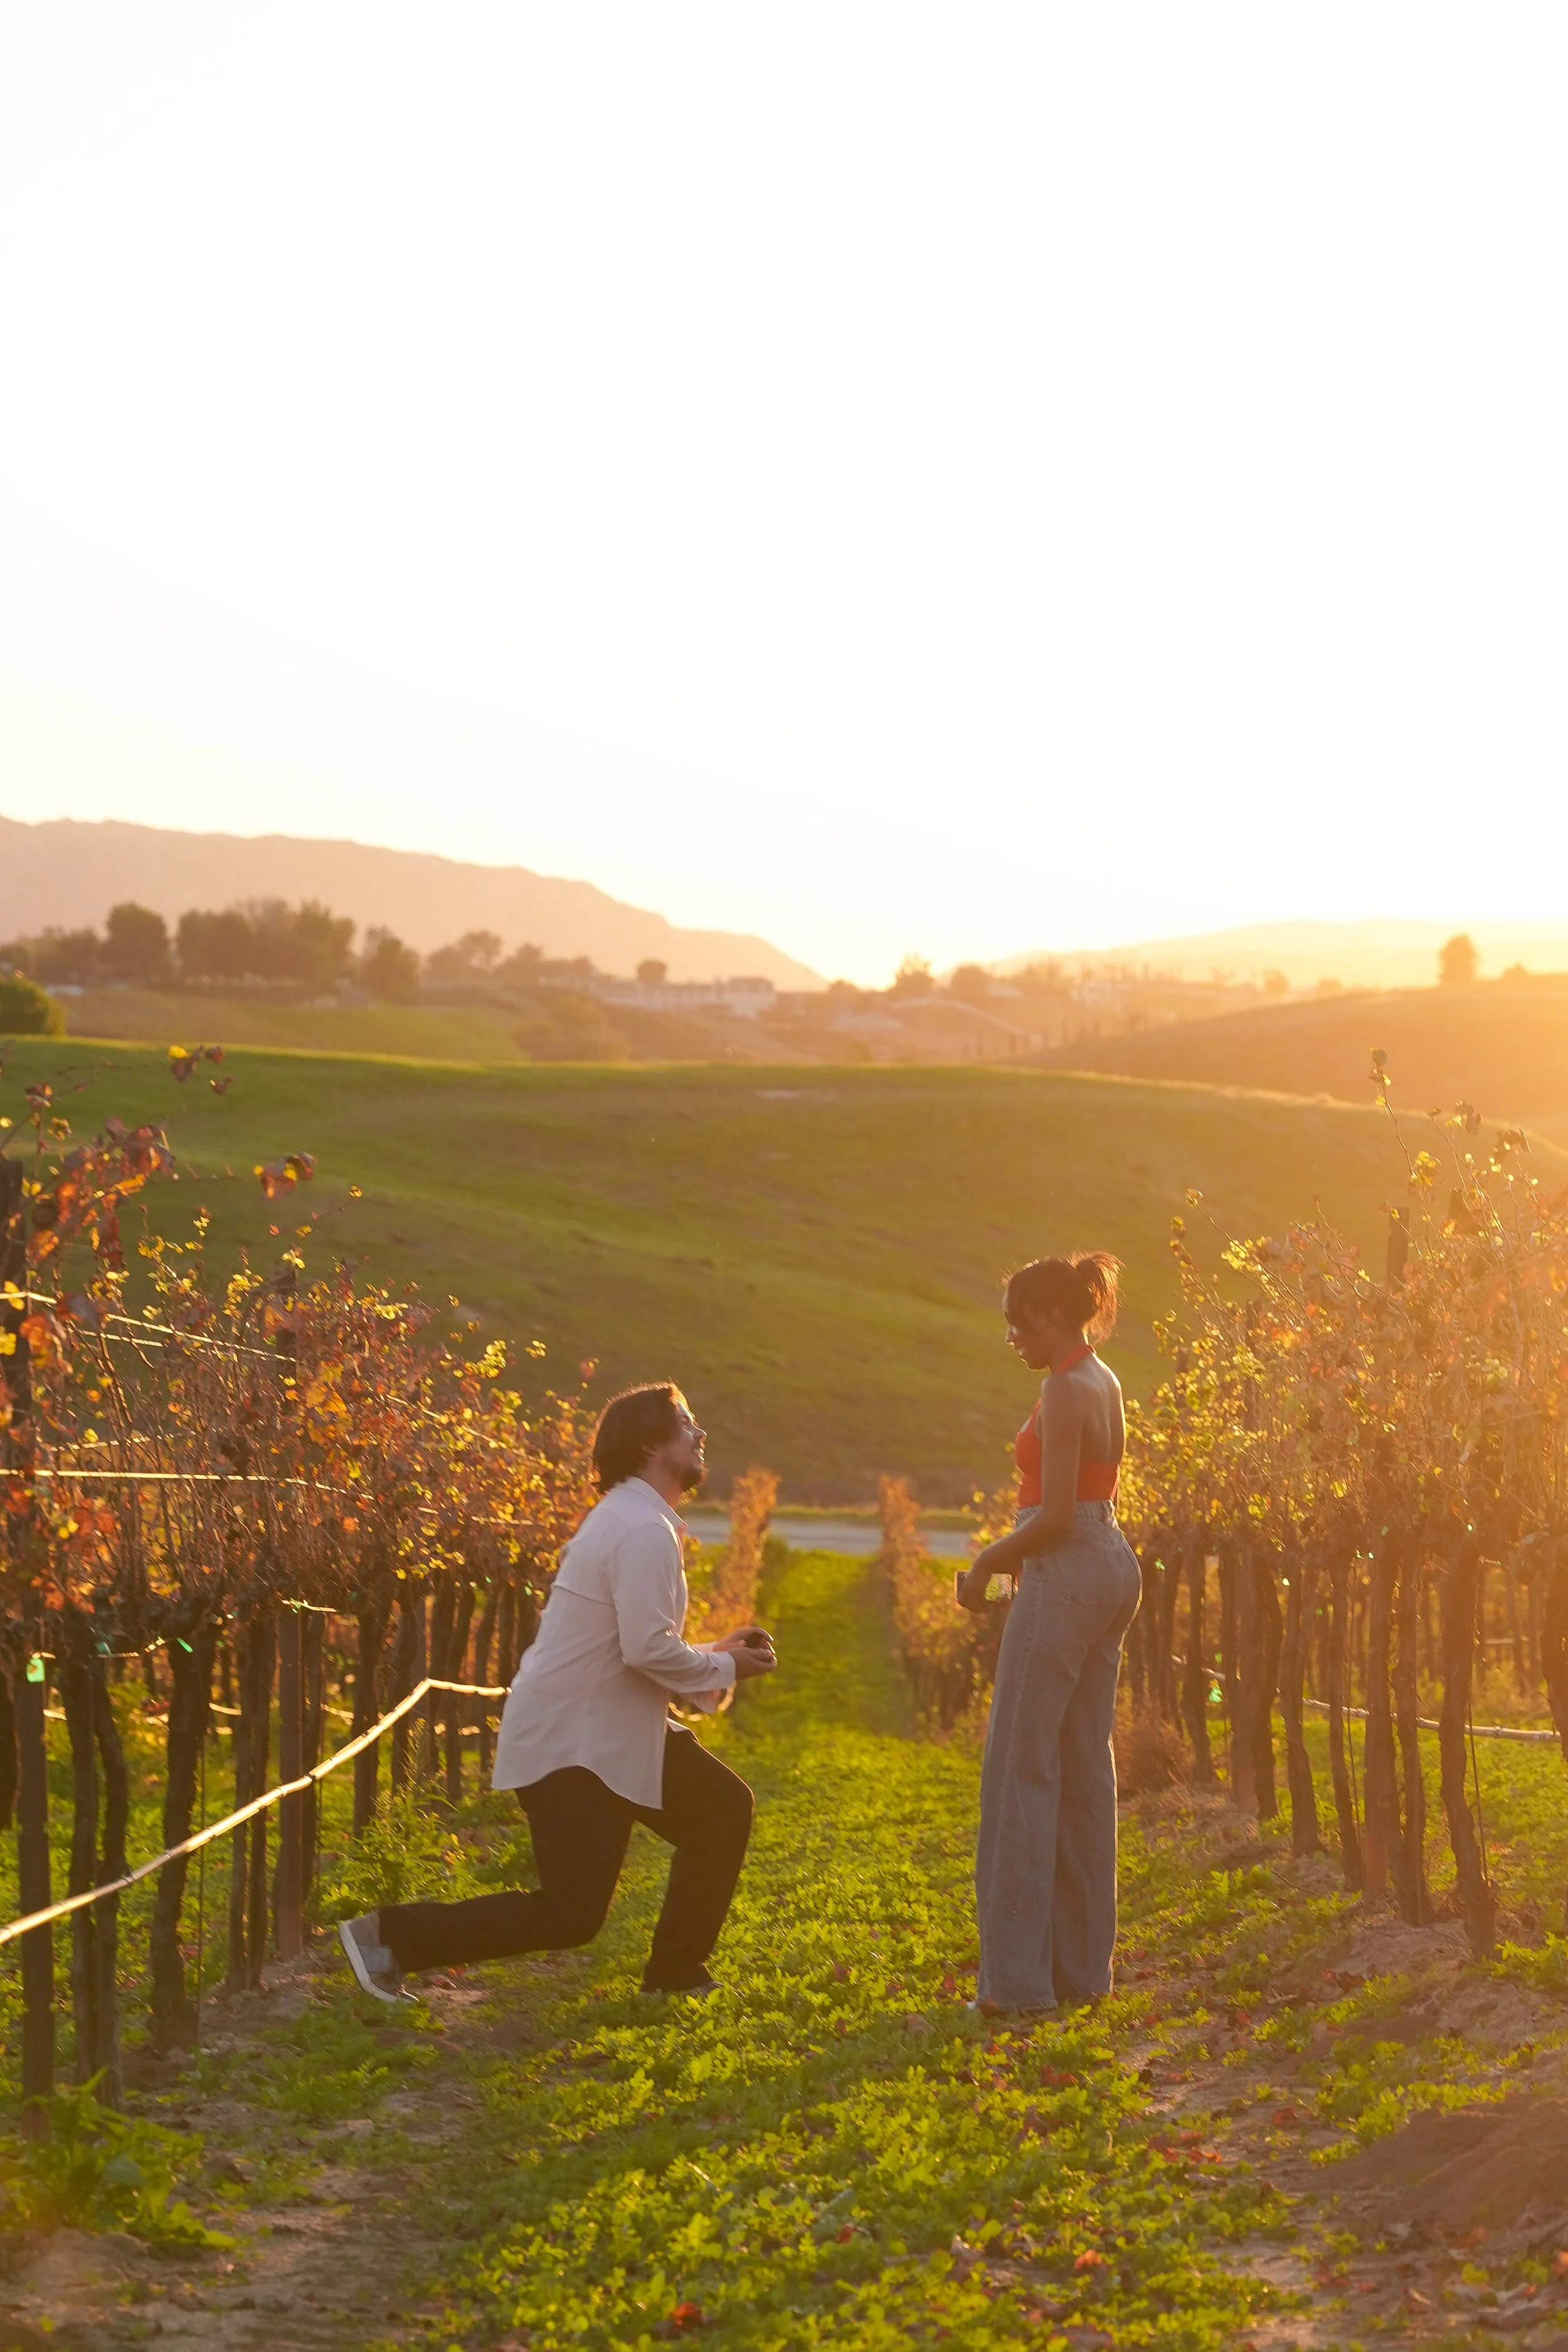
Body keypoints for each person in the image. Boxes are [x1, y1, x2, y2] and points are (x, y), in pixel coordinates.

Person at [337, 1382, 776, 2003]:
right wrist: (730, 1670)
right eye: (686, 1424)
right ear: (651, 1445)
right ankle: (388, 1938)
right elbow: (645, 1651)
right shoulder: (641, 1529)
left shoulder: (634, 1519)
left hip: (606, 1730)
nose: (699, 1435)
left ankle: (676, 1975)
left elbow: (632, 1646)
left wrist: (717, 1655)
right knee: (571, 1915)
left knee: (721, 1811)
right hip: (578, 1743)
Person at [954, 1253, 1141, 2015]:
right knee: (1083, 1772)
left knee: (1019, 1770)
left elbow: (1057, 1516)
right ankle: (1080, 1974)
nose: (1012, 1339)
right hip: (1110, 1565)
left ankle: (1016, 1987)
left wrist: (985, 1565)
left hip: (1064, 1566)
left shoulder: (1063, 1388)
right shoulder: (1105, 1378)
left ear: (1053, 1316)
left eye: (1016, 1324)